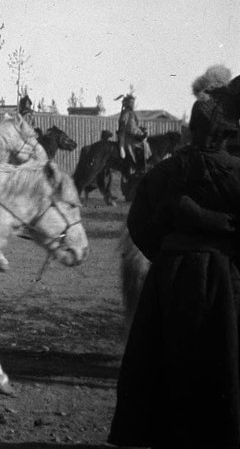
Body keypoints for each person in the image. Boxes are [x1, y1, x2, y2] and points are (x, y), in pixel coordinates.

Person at [109, 75, 240, 448]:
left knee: (167, 359)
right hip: (223, 278)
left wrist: (165, 255)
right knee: (222, 360)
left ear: (190, 131)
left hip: (169, 274)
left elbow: (137, 222)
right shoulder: (236, 174)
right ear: (227, 134)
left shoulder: (165, 171)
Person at [117, 92, 152, 173]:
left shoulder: (129, 113)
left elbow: (134, 126)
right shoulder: (128, 113)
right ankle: (140, 167)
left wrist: (141, 129)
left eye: (133, 102)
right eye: (132, 102)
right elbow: (130, 128)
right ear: (128, 103)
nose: (133, 104)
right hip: (128, 137)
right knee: (144, 145)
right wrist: (141, 134)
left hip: (129, 135)